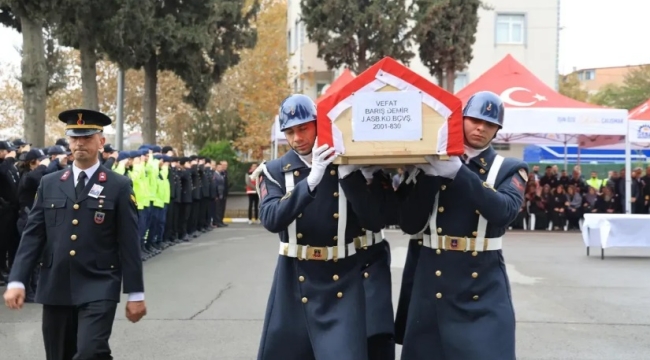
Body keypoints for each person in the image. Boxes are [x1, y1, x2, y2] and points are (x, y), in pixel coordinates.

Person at [3, 109, 147, 360]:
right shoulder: (50, 183)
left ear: (100, 142)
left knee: (91, 352)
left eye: (87, 137)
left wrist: (136, 293)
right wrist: (17, 280)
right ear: (69, 141)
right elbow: (33, 236)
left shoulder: (118, 186)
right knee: (59, 355)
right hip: (56, 284)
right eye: (74, 138)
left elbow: (129, 242)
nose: (80, 143)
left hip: (99, 283)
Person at [395, 91, 528, 360]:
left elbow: (504, 211)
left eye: (490, 124)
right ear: (461, 119)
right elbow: (409, 223)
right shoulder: (429, 161)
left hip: (480, 280)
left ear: (497, 130)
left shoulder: (510, 168)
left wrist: (459, 172)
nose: (481, 128)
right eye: (475, 120)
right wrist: (428, 176)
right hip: (432, 275)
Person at [253, 94, 387, 360]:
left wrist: (356, 178)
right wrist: (311, 181)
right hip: (295, 277)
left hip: (343, 274)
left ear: (318, 124)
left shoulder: (347, 165)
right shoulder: (274, 170)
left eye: (303, 128)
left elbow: (374, 221)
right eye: (290, 131)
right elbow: (271, 218)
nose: (297, 138)